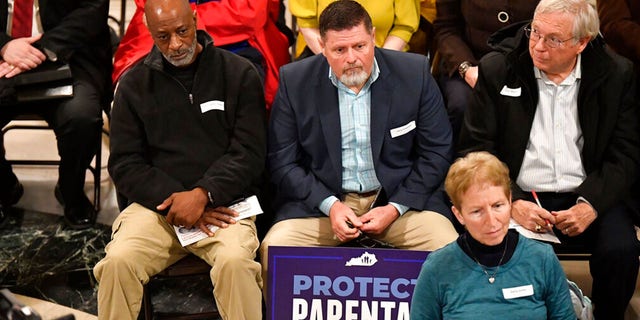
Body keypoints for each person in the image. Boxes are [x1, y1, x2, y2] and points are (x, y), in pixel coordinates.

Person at [458, 0, 640, 318]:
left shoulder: (616, 74)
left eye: (553, 39)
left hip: (590, 192)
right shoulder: (498, 69)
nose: (538, 46)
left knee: (621, 250)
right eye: (534, 32)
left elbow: (625, 154)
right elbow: (476, 149)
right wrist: (510, 200)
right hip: (518, 193)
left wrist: (590, 205)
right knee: (498, 250)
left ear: (582, 42)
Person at [260, 0, 458, 284]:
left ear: (374, 38)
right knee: (275, 249)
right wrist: (330, 205)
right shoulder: (295, 81)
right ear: (323, 47)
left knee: (448, 247)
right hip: (323, 207)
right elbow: (282, 162)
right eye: (340, 50)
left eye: (360, 46)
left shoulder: (413, 73)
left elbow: (437, 153)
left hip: (399, 202)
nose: (352, 58)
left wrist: (395, 208)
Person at [93, 0, 266, 319]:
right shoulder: (133, 85)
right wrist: (178, 204)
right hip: (158, 209)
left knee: (236, 263)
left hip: (223, 207)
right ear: (149, 33)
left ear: (197, 20)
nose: (175, 44)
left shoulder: (239, 73)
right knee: (118, 262)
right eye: (163, 36)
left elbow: (250, 152)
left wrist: (202, 196)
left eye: (183, 31)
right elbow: (125, 163)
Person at [411, 151, 575, 319]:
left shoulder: (542, 259)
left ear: (510, 201)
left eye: (497, 206)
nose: (491, 220)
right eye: (477, 211)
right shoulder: (438, 267)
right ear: (459, 214)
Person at [0, 0, 112, 229]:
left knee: (83, 117)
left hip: (68, 52)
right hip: (4, 59)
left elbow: (92, 10)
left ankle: (71, 188)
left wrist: (41, 49)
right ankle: (3, 185)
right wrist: (4, 46)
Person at [111, 0, 290, 109]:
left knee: (230, 95)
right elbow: (153, 6)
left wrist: (186, 17)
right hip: (160, 38)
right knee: (135, 91)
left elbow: (248, 13)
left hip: (239, 45)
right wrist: (183, 20)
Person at [433, 0, 539, 144]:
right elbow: (446, 29)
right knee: (462, 104)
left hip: (529, 61)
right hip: (470, 62)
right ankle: (463, 163)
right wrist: (466, 69)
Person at [291, 0, 420, 59]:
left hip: (386, 55)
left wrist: (375, 63)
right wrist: (335, 60)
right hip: (324, 55)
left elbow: (404, 26)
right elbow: (307, 24)